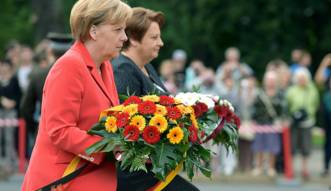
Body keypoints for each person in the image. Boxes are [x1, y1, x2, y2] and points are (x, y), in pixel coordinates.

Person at [21, 0, 132, 190]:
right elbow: (60, 131)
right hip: (64, 180)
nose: (124, 37)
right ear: (93, 31)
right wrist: (109, 146)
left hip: (91, 177)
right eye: (117, 30)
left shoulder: (105, 66)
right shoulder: (69, 66)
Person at [112, 7, 199, 191]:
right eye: (153, 37)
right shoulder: (123, 70)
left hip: (152, 168)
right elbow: (126, 129)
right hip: (135, 172)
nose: (160, 42)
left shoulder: (147, 67)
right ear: (134, 39)